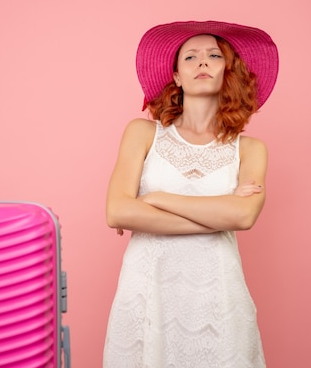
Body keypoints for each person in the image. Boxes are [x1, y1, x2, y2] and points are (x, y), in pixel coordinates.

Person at [103, 20, 279, 368]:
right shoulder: (142, 133)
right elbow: (117, 211)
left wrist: (155, 199)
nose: (202, 62)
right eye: (190, 57)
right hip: (148, 290)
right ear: (177, 77)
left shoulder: (250, 149)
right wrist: (218, 216)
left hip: (217, 295)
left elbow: (243, 216)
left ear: (228, 72)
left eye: (214, 55)